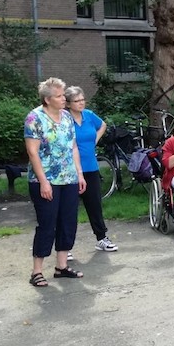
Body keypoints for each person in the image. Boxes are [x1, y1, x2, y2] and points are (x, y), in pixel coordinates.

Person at [25, 77, 86, 287]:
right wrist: (43, 182)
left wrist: (79, 173)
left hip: (68, 178)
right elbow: (33, 153)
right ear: (47, 99)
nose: (64, 99)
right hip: (45, 179)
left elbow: (74, 147)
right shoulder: (34, 118)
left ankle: (61, 267)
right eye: (59, 96)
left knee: (68, 222)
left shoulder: (67, 117)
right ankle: (37, 272)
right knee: (47, 224)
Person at [65, 86, 118, 252]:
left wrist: (94, 139)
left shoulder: (88, 115)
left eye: (82, 100)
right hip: (71, 169)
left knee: (95, 204)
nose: (81, 103)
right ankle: (66, 247)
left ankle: (101, 238)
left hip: (91, 167)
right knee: (69, 208)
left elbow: (102, 124)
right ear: (67, 103)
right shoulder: (64, 119)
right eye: (77, 101)